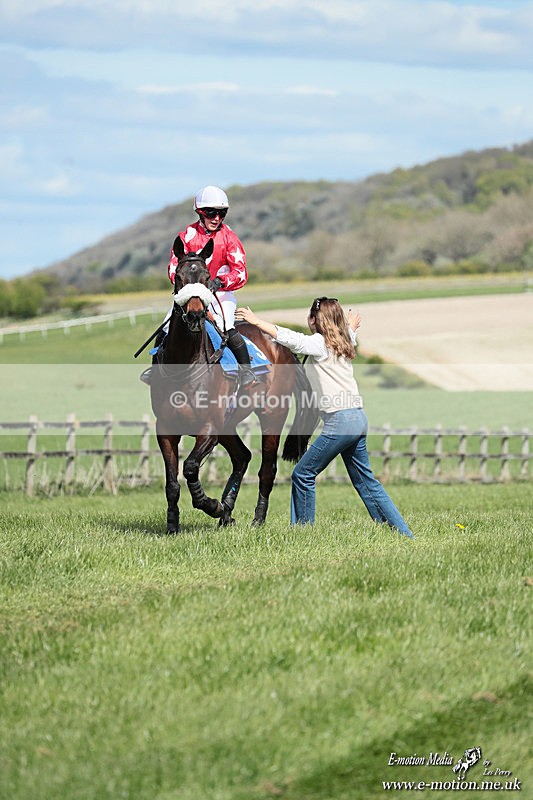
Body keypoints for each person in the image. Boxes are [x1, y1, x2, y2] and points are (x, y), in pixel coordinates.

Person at [235, 298, 414, 537]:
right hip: (358, 419)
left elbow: (289, 337)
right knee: (366, 482)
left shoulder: (319, 344)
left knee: (303, 474)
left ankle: (304, 535)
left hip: (340, 421)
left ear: (313, 320)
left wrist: (256, 321)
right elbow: (348, 333)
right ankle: (402, 534)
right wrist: (350, 325)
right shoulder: (345, 341)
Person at [141, 185, 257, 387]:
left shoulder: (230, 238)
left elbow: (241, 272)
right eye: (211, 213)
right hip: (190, 293)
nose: (217, 218)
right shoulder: (186, 236)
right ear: (200, 213)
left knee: (226, 326)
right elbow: (173, 268)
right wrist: (190, 288)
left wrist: (219, 281)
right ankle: (155, 371)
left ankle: (247, 372)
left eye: (222, 213)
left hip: (220, 294)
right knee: (167, 324)